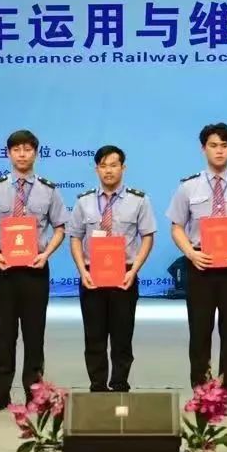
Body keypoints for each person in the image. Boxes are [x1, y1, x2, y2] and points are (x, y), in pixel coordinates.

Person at [165, 123, 227, 412]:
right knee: (200, 331)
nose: (219, 151)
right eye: (213, 145)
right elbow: (176, 226)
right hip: (201, 265)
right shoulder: (188, 186)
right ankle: (201, 390)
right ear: (203, 148)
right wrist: (190, 254)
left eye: (224, 146)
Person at [0, 129, 68, 411]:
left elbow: (60, 227)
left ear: (35, 153)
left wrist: (46, 254)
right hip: (3, 269)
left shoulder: (49, 190)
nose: (22, 155)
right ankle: (1, 393)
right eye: (16, 150)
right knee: (4, 335)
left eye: (27, 149)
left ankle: (34, 394)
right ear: (8, 154)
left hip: (35, 270)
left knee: (34, 334)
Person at [67, 145, 156, 392]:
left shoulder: (139, 200)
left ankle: (119, 383)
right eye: (103, 166)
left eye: (114, 165)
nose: (108, 171)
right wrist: (82, 271)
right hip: (91, 274)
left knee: (122, 335)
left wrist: (134, 270)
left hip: (124, 275)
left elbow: (148, 236)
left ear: (123, 168)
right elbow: (74, 237)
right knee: (93, 335)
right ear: (96, 169)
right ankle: (97, 385)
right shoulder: (84, 201)